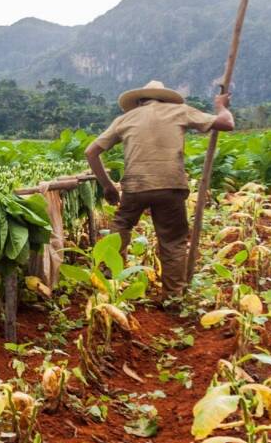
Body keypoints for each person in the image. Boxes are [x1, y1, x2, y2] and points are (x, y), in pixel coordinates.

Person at [84, 80, 235, 304]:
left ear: (139, 102)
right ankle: (173, 298)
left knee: (121, 229)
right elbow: (226, 123)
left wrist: (108, 186)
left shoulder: (125, 119)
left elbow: (91, 152)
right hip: (171, 186)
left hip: (135, 186)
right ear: (164, 99)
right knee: (173, 242)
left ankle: (107, 285)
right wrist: (221, 106)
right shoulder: (179, 111)